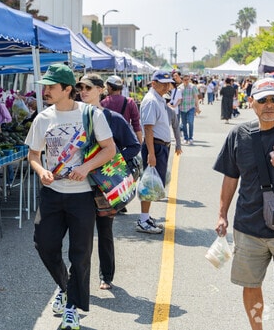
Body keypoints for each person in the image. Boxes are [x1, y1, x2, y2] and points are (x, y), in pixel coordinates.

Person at [25, 63, 116, 330]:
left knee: (80, 254)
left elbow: (109, 149)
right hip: (52, 193)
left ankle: (72, 308)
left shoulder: (91, 115)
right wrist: (41, 171)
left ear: (68, 89)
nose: (46, 91)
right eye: (45, 86)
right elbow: (33, 155)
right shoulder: (43, 118)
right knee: (44, 244)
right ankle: (65, 287)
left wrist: (86, 167)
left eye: (52, 87)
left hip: (83, 196)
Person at [213, 77, 274, 330]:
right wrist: (221, 214)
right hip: (249, 227)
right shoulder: (239, 134)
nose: (269, 105)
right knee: (251, 285)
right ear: (251, 103)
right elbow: (230, 176)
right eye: (263, 100)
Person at [76, 74, 140, 292]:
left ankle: (106, 275)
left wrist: (111, 162)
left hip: (105, 186)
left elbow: (134, 146)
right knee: (80, 235)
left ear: (101, 90)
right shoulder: (74, 116)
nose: (83, 91)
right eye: (80, 87)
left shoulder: (113, 118)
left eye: (88, 87)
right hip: (79, 184)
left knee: (104, 231)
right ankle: (79, 279)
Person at [137, 70, 174, 234]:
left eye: (168, 83)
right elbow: (148, 129)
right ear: (154, 83)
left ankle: (146, 217)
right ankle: (143, 220)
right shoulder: (151, 101)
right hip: (155, 147)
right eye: (163, 83)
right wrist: (151, 154)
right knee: (149, 185)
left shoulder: (158, 99)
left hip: (161, 146)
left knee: (153, 183)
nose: (167, 86)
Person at [101, 75, 143, 143]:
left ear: (109, 87)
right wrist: (140, 142)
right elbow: (136, 125)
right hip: (126, 138)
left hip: (110, 140)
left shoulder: (103, 103)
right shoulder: (130, 102)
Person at [178, 74, 201, 145]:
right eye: (185, 80)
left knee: (190, 122)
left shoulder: (193, 87)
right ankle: (186, 138)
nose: (186, 81)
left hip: (191, 107)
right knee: (184, 124)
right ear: (182, 80)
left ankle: (191, 137)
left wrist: (197, 107)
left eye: (188, 79)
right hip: (182, 108)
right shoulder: (180, 87)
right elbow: (178, 98)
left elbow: (196, 97)